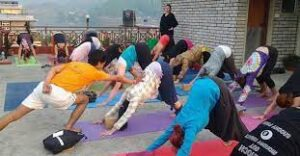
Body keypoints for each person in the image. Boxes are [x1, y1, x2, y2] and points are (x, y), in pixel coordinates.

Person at [0, 50, 138, 132]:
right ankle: (69, 126)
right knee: (84, 100)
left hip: (42, 89)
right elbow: (119, 77)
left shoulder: (75, 63)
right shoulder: (96, 72)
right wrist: (134, 81)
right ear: (101, 63)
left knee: (14, 115)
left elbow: (54, 69)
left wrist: (46, 83)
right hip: (57, 94)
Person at [146, 76, 248, 156]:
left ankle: (248, 140)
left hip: (218, 87)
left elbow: (185, 151)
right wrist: (145, 153)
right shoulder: (177, 122)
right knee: (211, 121)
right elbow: (162, 138)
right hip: (201, 82)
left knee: (230, 121)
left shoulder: (191, 127)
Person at [231, 61, 300, 155]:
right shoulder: (284, 93)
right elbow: (274, 104)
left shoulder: (290, 95)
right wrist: (263, 115)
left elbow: (283, 110)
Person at [100, 60, 183, 136]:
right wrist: (104, 118)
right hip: (155, 66)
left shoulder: (134, 98)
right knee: (166, 95)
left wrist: (112, 130)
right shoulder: (128, 91)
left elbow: (127, 115)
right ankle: (171, 100)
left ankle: (182, 115)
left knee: (170, 98)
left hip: (163, 70)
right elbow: (118, 104)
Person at [254, 54, 300, 120]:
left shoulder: (297, 98)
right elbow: (273, 103)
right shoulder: (282, 91)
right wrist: (263, 115)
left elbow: (290, 113)